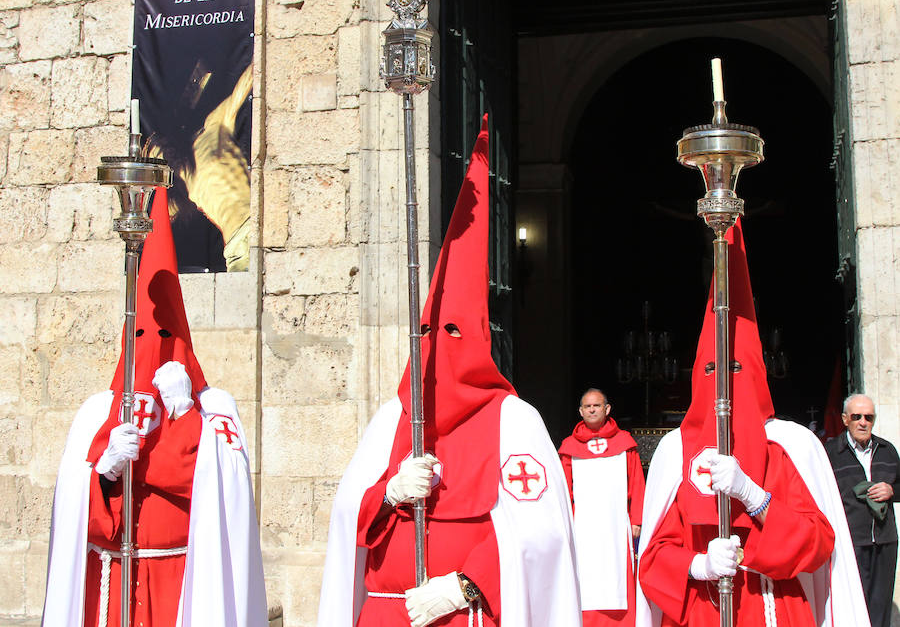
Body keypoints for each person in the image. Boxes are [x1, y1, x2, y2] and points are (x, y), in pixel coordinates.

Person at [316, 116, 581, 627]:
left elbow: (541, 530)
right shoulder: (393, 416)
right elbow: (348, 512)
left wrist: (464, 584)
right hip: (389, 613)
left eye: (455, 333)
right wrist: (387, 493)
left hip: (464, 613)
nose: (441, 349)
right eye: (431, 335)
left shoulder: (514, 420)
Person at [41, 187, 267, 627]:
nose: (154, 352)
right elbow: (70, 507)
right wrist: (102, 472)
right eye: (142, 339)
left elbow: (229, 492)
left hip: (185, 580)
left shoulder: (213, 407)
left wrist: (185, 417)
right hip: (113, 577)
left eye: (166, 339)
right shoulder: (97, 412)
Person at [636, 220, 869, 627]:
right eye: (713, 369)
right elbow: (653, 558)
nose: (724, 382)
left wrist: (755, 497)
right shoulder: (676, 451)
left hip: (777, 608)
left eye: (736, 367)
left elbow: (817, 542)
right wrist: (699, 564)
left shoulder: (789, 445)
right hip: (706, 610)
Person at [559, 388, 645, 626]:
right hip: (582, 526)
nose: (592, 410)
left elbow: (637, 483)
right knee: (584, 577)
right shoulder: (568, 447)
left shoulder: (625, 443)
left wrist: (636, 519)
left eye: (597, 406)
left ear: (607, 409)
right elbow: (564, 491)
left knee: (618, 574)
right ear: (580, 411)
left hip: (617, 524)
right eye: (587, 407)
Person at [824, 394, 900, 627]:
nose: (863, 422)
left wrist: (891, 490)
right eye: (857, 417)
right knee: (853, 606)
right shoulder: (830, 452)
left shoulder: (887, 449)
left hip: (885, 540)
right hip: (850, 541)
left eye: (869, 417)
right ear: (846, 419)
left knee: (881, 604)